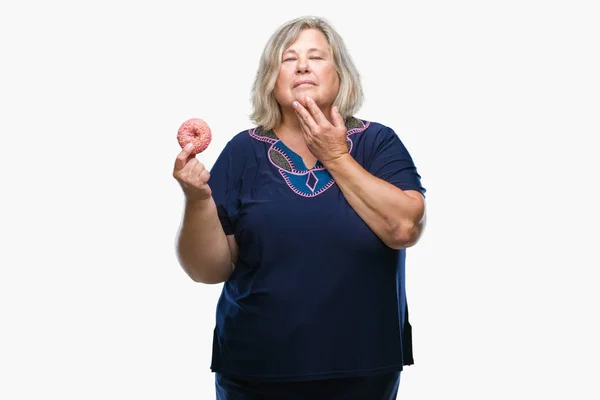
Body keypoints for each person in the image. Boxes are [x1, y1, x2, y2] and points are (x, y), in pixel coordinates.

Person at [173, 15, 427, 400]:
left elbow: (405, 228)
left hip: (363, 367)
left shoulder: (378, 143)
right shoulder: (243, 151)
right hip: (255, 370)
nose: (303, 65)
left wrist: (336, 156)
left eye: (316, 57)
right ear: (270, 81)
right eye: (288, 59)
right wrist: (196, 200)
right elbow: (207, 270)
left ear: (340, 75)